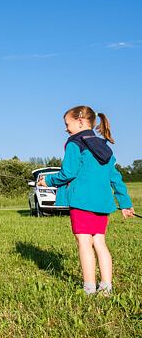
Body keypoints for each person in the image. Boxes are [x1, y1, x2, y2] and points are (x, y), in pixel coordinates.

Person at [38, 105, 135, 295]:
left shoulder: (74, 143)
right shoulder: (104, 147)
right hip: (102, 204)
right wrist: (125, 204)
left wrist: (47, 180)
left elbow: (68, 172)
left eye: (67, 124)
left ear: (80, 121)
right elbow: (115, 178)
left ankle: (89, 288)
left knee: (84, 242)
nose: (66, 128)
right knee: (99, 242)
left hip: (81, 202)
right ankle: (106, 287)